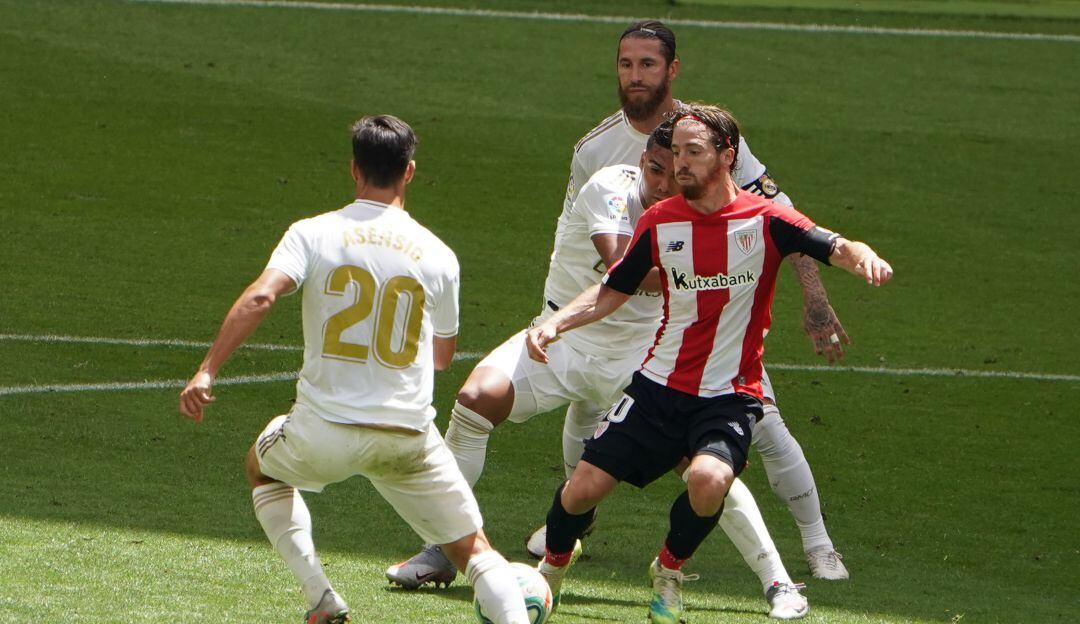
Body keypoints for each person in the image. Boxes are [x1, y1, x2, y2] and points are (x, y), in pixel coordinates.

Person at [387, 118, 807, 618]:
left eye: (674, 173)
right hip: (563, 339)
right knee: (476, 400)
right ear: (642, 163)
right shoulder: (609, 188)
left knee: (703, 470)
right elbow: (620, 267)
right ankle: (442, 547)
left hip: (643, 360)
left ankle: (776, 579)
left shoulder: (700, 215)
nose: (661, 183)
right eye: (654, 168)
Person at [528, 104, 893, 624]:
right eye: (676, 153)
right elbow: (613, 291)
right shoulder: (659, 221)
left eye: (693, 153)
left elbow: (833, 243)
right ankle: (554, 570)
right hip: (657, 387)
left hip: (728, 395)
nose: (680, 165)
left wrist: (864, 258)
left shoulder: (765, 220)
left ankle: (669, 570)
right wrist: (556, 323)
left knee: (708, 479)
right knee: (583, 488)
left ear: (727, 156)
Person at [178, 115, 532, 624]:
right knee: (473, 551)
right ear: (409, 172)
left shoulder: (313, 232)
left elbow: (261, 295)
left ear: (354, 169)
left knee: (263, 468)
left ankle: (320, 598)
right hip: (407, 436)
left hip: (325, 432)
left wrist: (208, 369)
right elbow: (442, 355)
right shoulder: (439, 255)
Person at [548, 20, 853, 581]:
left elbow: (780, 216)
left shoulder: (708, 137)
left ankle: (816, 545)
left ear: (672, 69)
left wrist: (814, 297)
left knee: (767, 424)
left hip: (705, 316)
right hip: (632, 311)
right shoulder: (594, 150)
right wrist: (572, 314)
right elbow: (589, 240)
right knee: (587, 411)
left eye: (647, 64)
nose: (635, 76)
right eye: (626, 64)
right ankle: (573, 529)